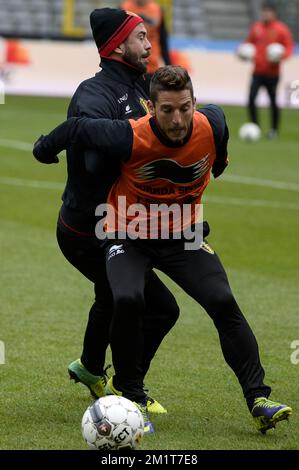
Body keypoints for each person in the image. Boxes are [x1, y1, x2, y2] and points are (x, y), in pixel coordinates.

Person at [33, 65, 292, 434]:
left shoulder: (212, 123)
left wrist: (219, 161)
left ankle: (258, 399)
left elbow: (220, 142)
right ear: (151, 108)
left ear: (194, 103)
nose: (178, 119)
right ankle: (131, 395)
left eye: (185, 108)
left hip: (181, 235)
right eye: (167, 110)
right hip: (127, 232)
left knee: (221, 300)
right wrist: (44, 148)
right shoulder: (128, 136)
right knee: (127, 298)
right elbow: (76, 127)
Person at [34, 8, 181, 432]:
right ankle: (124, 387)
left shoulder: (140, 85)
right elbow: (95, 159)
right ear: (118, 45)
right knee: (159, 308)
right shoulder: (94, 93)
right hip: (88, 230)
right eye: (140, 36)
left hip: (121, 223)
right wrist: (137, 141)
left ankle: (90, 367)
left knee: (113, 293)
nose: (149, 43)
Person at [244, 2, 294, 138]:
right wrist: (242, 51)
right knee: (251, 98)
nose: (265, 14)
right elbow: (248, 43)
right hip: (257, 71)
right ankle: (255, 126)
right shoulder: (257, 28)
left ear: (274, 13)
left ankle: (273, 130)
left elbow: (289, 48)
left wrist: (281, 56)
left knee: (272, 100)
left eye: (268, 12)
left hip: (273, 73)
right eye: (264, 12)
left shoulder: (281, 29)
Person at [120, 0, 171, 94]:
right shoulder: (123, 8)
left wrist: (169, 66)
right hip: (128, 67)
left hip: (150, 66)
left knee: (148, 103)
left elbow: (163, 40)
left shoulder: (157, 9)